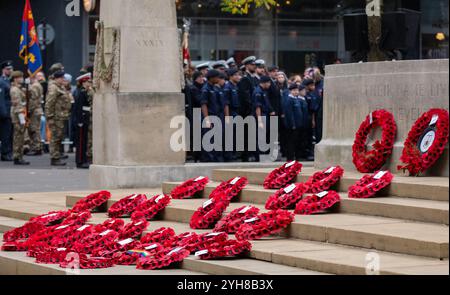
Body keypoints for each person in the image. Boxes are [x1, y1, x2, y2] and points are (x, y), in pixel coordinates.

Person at [45, 70, 72, 166]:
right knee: (55, 138)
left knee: (58, 137)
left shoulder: (59, 87)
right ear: (57, 78)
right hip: (55, 117)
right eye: (61, 78)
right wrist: (50, 117)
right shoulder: (54, 88)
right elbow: (49, 103)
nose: (63, 79)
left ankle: (56, 156)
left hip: (60, 116)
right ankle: (54, 158)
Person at [200, 69, 227, 162]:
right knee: (209, 139)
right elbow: (204, 105)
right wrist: (207, 119)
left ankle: (217, 158)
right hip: (210, 117)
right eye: (217, 77)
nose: (219, 79)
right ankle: (209, 159)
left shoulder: (216, 88)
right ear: (211, 78)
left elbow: (223, 104)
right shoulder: (205, 89)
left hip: (218, 116)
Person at [237, 56, 258, 162]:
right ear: (246, 66)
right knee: (246, 135)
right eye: (252, 65)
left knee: (252, 135)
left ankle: (251, 154)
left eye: (254, 65)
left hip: (253, 111)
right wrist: (251, 110)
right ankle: (246, 155)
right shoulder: (245, 79)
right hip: (247, 112)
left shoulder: (253, 79)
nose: (254, 66)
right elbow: (246, 97)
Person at [282, 84, 309, 161]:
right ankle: (290, 158)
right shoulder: (289, 100)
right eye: (294, 90)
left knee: (297, 142)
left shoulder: (296, 99)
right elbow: (289, 114)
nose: (296, 92)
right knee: (291, 143)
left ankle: (297, 157)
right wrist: (293, 124)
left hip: (299, 125)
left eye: (297, 90)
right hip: (293, 126)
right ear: (290, 91)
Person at [252, 75, 275, 162]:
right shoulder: (258, 92)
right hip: (261, 116)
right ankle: (260, 157)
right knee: (261, 137)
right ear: (264, 83)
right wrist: (260, 121)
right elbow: (258, 107)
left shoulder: (263, 91)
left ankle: (263, 155)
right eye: (269, 83)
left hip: (265, 115)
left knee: (264, 136)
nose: (269, 85)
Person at [73, 73, 93, 168]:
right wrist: (80, 120)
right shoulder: (80, 93)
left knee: (84, 141)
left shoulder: (84, 92)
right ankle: (80, 161)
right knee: (81, 142)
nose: (89, 83)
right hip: (81, 119)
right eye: (87, 82)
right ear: (83, 83)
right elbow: (78, 108)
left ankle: (83, 159)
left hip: (85, 118)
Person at [9, 71, 29, 165]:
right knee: (18, 137)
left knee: (21, 137)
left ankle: (19, 156)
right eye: (20, 77)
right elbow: (17, 104)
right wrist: (21, 118)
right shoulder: (14, 90)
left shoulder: (19, 88)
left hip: (21, 114)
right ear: (16, 78)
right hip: (18, 116)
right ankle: (17, 157)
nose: (22, 78)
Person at [223, 68, 241, 162]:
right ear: (230, 76)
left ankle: (233, 154)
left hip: (236, 112)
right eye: (236, 75)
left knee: (234, 135)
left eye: (239, 75)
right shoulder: (227, 87)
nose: (239, 77)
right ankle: (229, 156)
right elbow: (226, 104)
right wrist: (227, 117)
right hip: (230, 112)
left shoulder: (235, 86)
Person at [186, 71, 205, 162]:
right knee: (197, 137)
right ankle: (197, 156)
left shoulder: (201, 87)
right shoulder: (193, 88)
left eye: (202, 77)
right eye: (200, 77)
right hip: (195, 114)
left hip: (200, 114)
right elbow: (199, 100)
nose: (202, 79)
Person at [27, 74, 44, 156]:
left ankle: (37, 148)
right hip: (37, 109)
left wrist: (29, 110)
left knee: (34, 129)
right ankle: (37, 147)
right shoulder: (38, 85)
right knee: (35, 128)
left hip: (35, 110)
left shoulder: (34, 86)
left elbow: (33, 99)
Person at [0, 60, 14, 162]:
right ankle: (5, 153)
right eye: (8, 69)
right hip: (5, 112)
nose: (10, 71)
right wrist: (4, 113)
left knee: (9, 133)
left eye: (11, 69)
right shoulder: (1, 81)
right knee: (5, 134)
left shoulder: (8, 81)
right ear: (3, 70)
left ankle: (8, 152)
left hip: (10, 111)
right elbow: (1, 99)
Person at [302, 78, 317, 161]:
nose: (313, 87)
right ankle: (305, 152)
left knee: (310, 136)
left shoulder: (312, 95)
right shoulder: (306, 95)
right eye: (312, 85)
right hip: (306, 117)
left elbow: (313, 110)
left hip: (310, 117)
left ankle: (308, 152)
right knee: (306, 136)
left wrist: (313, 120)